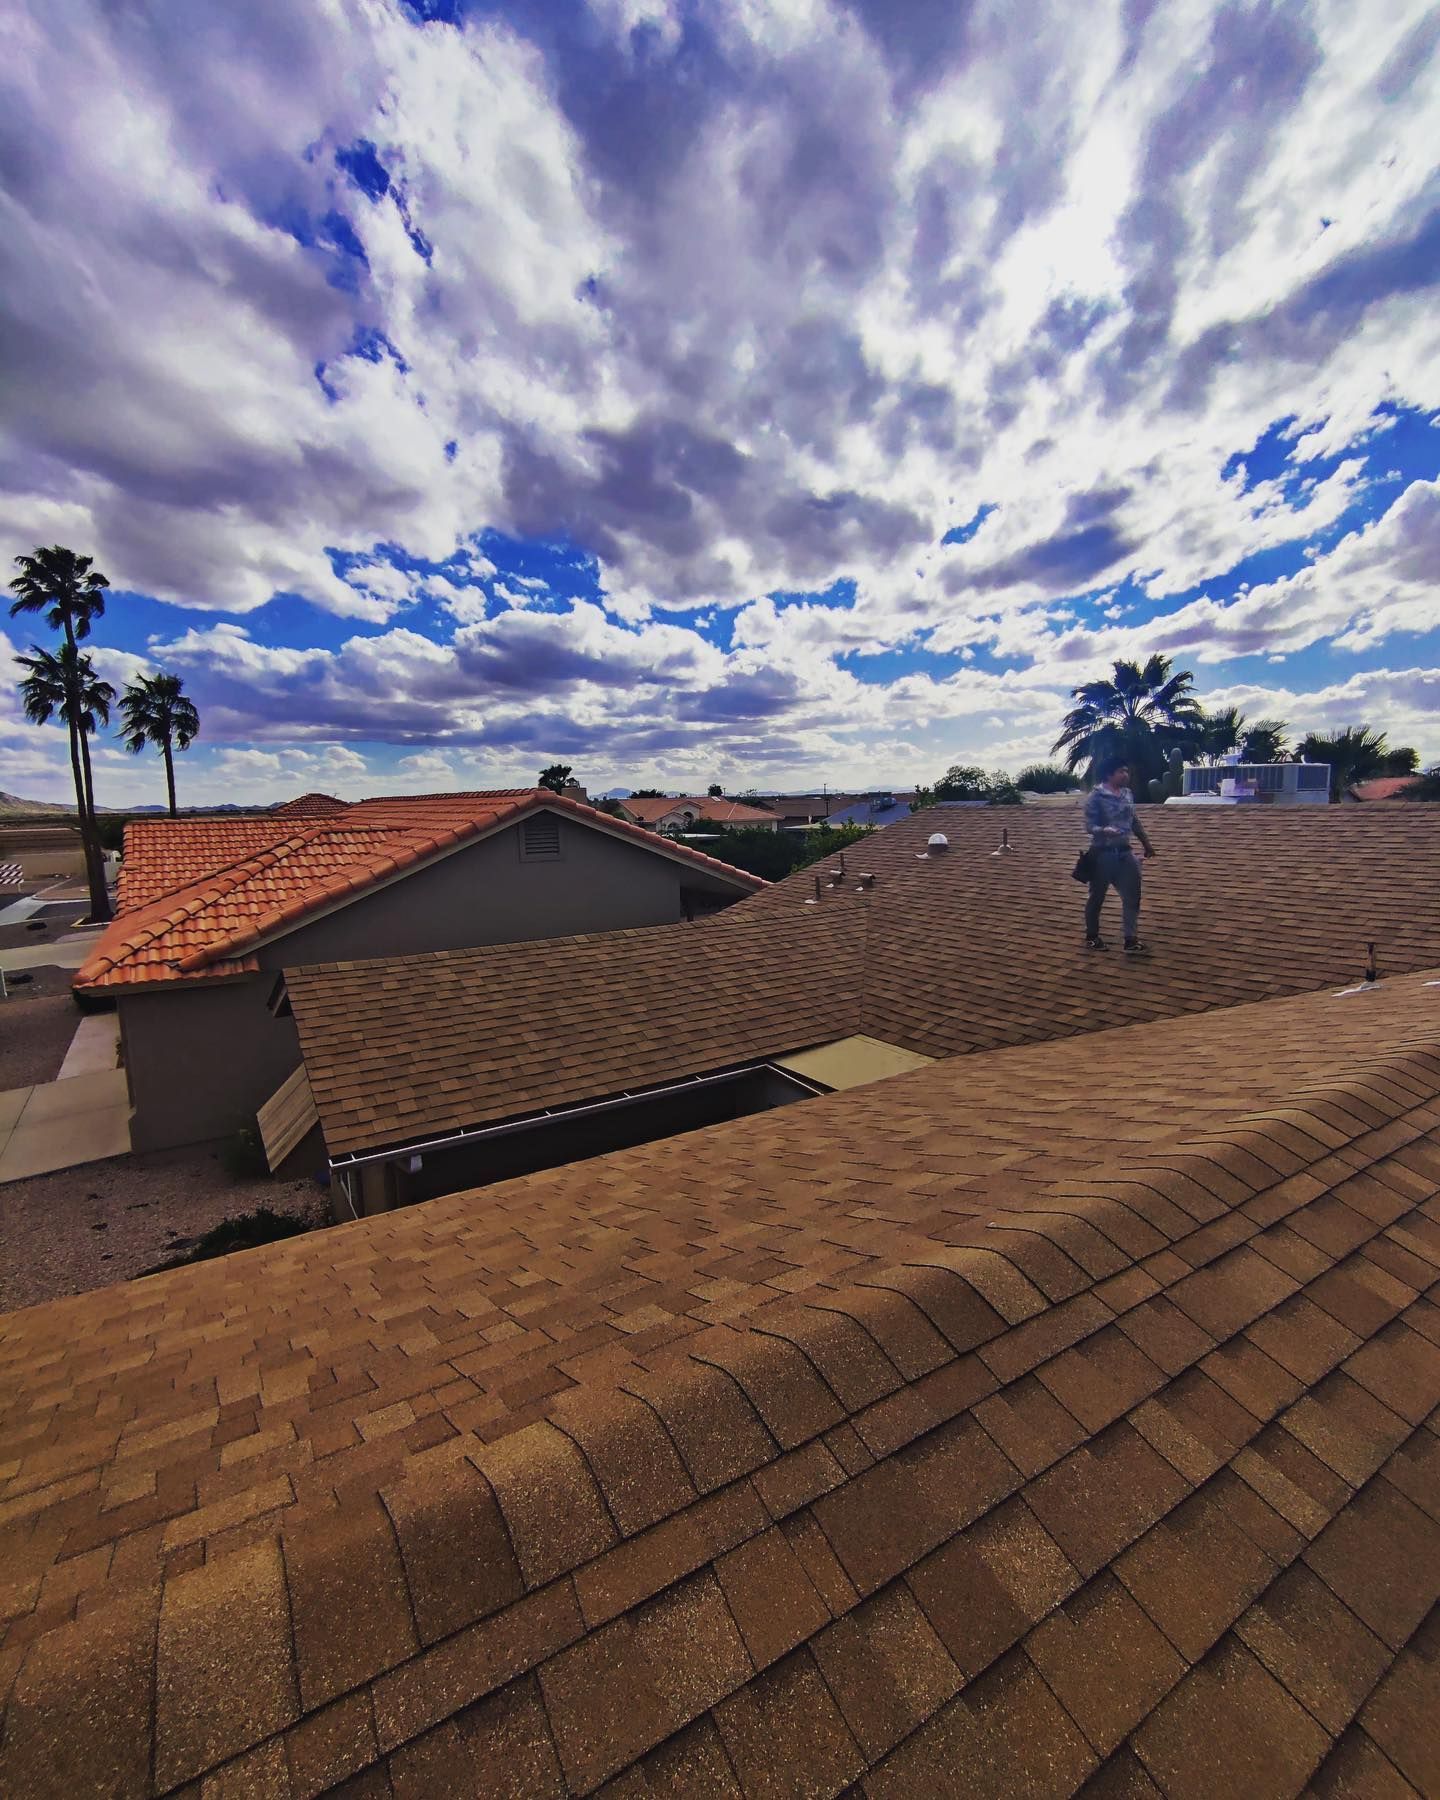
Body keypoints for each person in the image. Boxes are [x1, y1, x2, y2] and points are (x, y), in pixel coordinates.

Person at [1083, 758, 1154, 953]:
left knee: (1133, 896)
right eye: (1121, 771)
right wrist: (1104, 830)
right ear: (1109, 774)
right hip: (1102, 854)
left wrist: (1146, 843)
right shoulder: (1095, 797)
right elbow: (1089, 826)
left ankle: (1130, 940)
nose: (1126, 775)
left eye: (1126, 771)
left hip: (1125, 852)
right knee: (1097, 897)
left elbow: (1134, 821)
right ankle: (1092, 936)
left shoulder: (1127, 794)